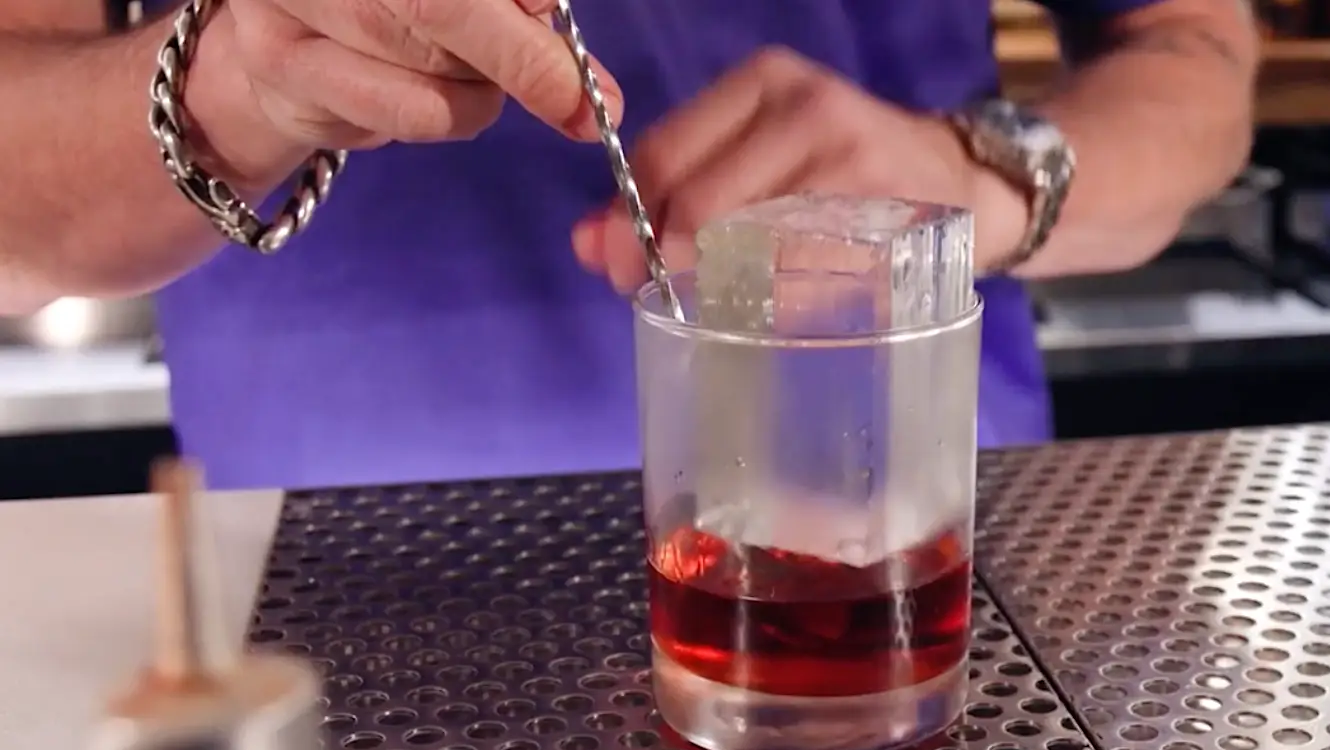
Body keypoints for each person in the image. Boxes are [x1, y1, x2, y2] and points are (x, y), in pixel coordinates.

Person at [0, 0, 1256, 489]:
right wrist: (235, 86)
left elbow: (1194, 64)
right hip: (330, 625)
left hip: (918, 585)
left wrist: (980, 175)